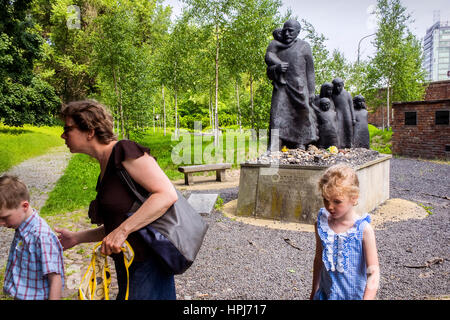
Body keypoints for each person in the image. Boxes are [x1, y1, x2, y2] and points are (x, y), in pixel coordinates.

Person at [55, 100, 178, 300]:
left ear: (90, 130)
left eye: (67, 129)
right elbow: (121, 223)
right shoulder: (106, 167)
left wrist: (122, 232)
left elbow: (166, 194)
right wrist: (76, 238)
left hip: (148, 265)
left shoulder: (124, 151)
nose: (63, 135)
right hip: (128, 266)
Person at [309, 164, 379, 300]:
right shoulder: (322, 226)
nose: (330, 206)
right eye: (325, 199)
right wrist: (314, 292)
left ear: (354, 198)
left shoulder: (363, 230)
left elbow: (373, 272)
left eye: (337, 201)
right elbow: (318, 260)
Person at [0, 174, 64, 300]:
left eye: (5, 217)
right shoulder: (21, 226)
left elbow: (55, 278)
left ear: (24, 206)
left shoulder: (41, 236)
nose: (1, 223)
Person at [266, 19, 318, 151]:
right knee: (276, 115)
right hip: (281, 87)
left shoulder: (304, 46)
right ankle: (274, 144)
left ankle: (300, 142)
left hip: (299, 87)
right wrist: (276, 68)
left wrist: (312, 91)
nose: (287, 33)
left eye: (291, 31)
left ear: (298, 32)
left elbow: (310, 71)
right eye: (285, 30)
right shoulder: (276, 46)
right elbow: (269, 70)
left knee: (301, 114)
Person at [332, 78, 355, 149]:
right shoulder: (332, 95)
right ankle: (340, 144)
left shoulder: (347, 94)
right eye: (335, 86)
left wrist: (353, 118)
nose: (337, 88)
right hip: (338, 114)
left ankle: (349, 143)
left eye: (339, 86)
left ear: (343, 85)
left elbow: (351, 107)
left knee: (349, 128)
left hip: (347, 114)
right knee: (339, 129)